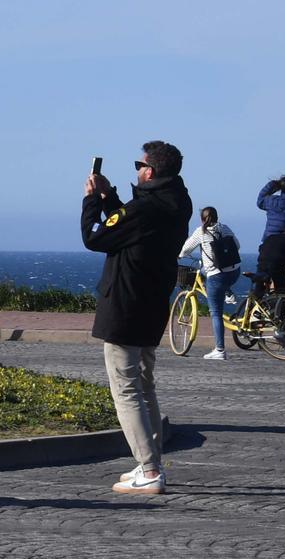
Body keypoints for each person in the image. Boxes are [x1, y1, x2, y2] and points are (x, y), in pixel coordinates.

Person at [82, 141, 192, 495]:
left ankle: (149, 469)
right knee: (145, 385)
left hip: (125, 305)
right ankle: (151, 461)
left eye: (138, 165)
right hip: (151, 303)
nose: (136, 170)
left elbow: (96, 238)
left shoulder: (145, 209)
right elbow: (129, 226)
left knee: (126, 388)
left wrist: (90, 201)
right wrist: (110, 195)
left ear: (151, 171)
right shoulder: (176, 202)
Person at [177, 206, 242, 361]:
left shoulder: (201, 232)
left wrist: (179, 255)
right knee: (207, 271)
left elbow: (186, 249)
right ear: (217, 217)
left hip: (217, 276)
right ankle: (228, 292)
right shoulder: (225, 228)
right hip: (234, 272)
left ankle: (219, 350)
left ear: (202, 218)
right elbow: (237, 245)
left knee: (215, 313)